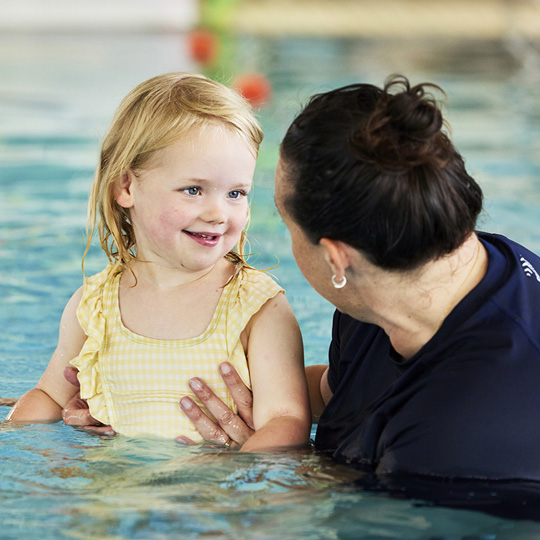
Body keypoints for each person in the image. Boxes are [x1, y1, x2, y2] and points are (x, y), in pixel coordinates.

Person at [181, 75, 540, 480]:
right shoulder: (395, 271)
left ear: (336, 258)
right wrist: (161, 390)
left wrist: (251, 469)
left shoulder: (458, 437)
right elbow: (334, 393)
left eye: (287, 224)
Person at [6, 73, 311, 451]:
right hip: (111, 497)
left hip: (211, 501)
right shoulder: (96, 303)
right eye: (194, 190)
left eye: (236, 193)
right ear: (127, 188)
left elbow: (286, 420)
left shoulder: (255, 307)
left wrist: (246, 466)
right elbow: (50, 397)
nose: (219, 213)